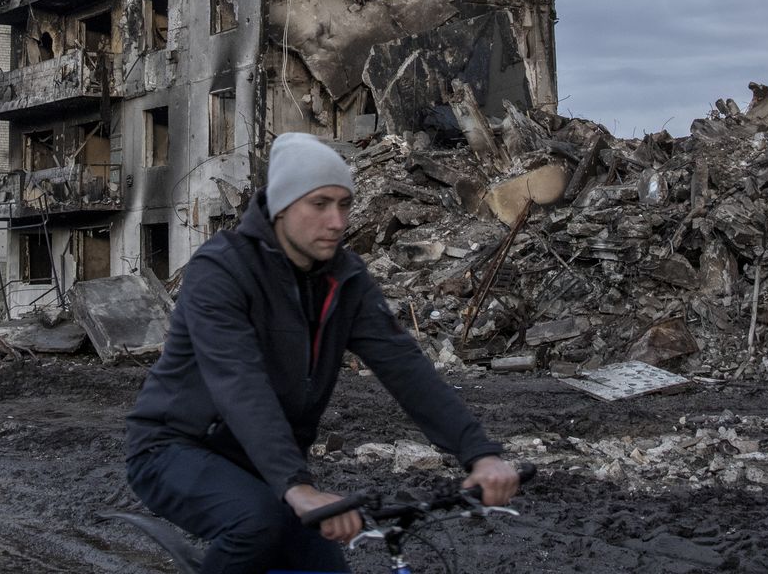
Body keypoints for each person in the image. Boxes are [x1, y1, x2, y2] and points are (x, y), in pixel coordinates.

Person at [126, 132, 520, 574]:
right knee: (257, 523)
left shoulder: (346, 279)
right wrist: (298, 486)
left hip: (266, 463)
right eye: (319, 204)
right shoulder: (221, 271)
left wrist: (479, 453)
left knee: (325, 568)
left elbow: (408, 370)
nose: (336, 221)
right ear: (281, 206)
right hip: (174, 449)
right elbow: (239, 382)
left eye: (345, 204)